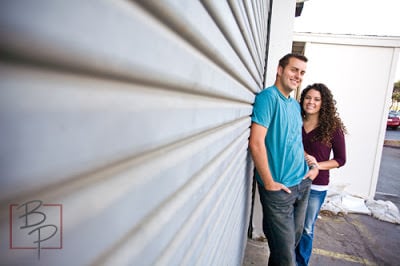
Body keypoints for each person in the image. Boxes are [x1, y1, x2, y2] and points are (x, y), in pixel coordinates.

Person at [249, 53, 319, 266]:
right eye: (293, 70)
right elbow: (256, 143)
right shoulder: (268, 98)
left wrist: (312, 164)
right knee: (286, 256)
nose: (298, 76)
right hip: (280, 191)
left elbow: (295, 141)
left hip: (302, 183)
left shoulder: (294, 105)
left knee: (288, 247)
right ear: (280, 70)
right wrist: (269, 182)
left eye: (302, 72)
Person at [295, 83, 347, 266]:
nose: (311, 102)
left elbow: (340, 159)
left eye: (317, 99)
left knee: (306, 228)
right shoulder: (295, 120)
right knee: (288, 229)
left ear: (324, 103)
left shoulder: (332, 127)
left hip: (316, 186)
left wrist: (317, 164)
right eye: (308, 97)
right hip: (291, 181)